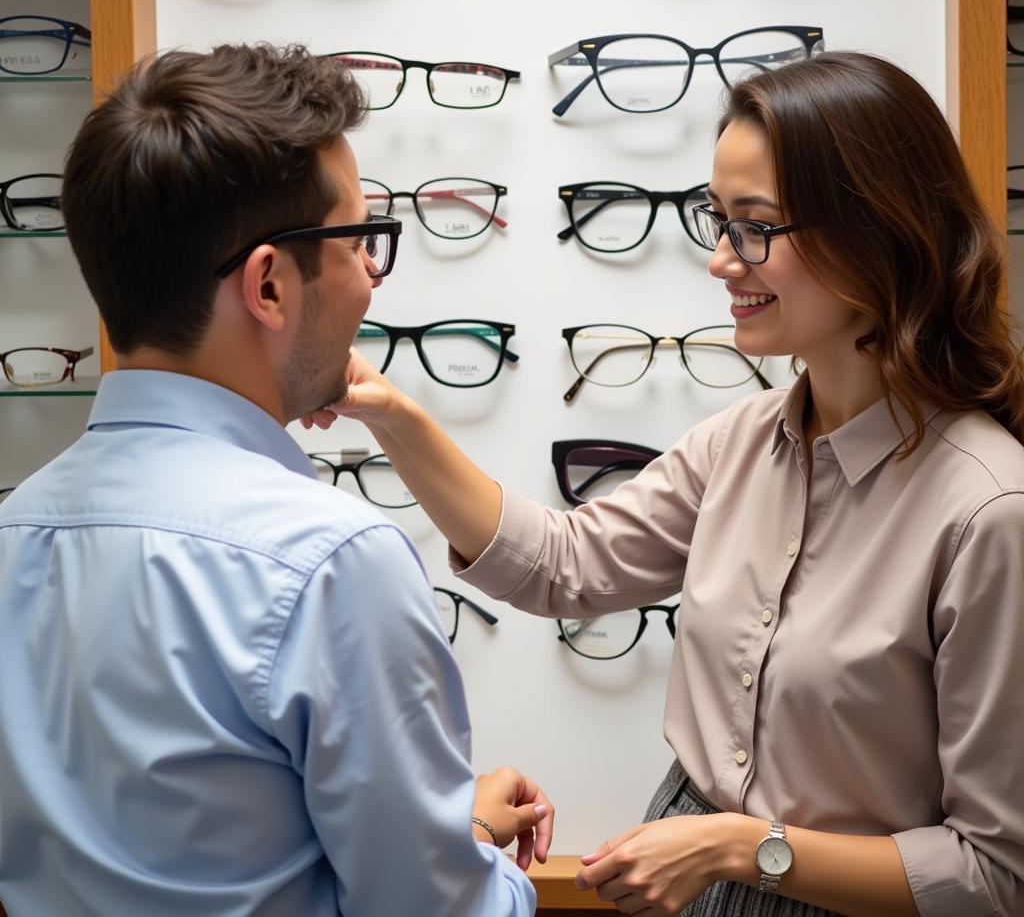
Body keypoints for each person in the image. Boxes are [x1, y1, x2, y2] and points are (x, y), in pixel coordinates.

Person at [304, 51, 1024, 916]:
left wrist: (740, 846)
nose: (722, 261)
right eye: (716, 220)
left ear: (876, 231)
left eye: (754, 226)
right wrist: (394, 415)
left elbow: (993, 874)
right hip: (694, 875)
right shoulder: (742, 444)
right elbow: (562, 566)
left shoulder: (988, 512)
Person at [0, 43, 553, 917]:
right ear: (268, 283)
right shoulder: (331, 564)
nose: (371, 277)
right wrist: (476, 851)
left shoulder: (15, 533)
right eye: (360, 241)